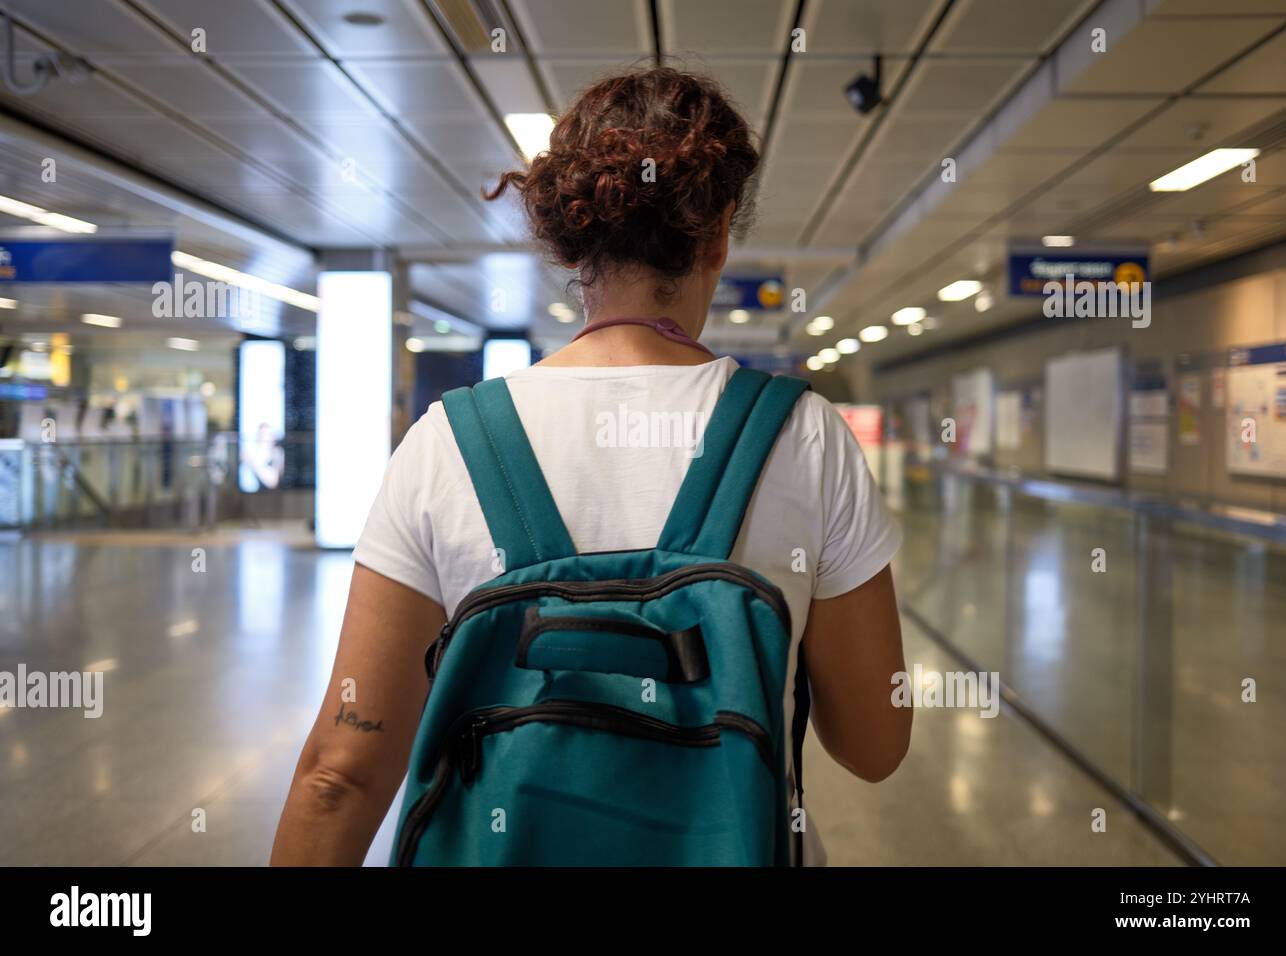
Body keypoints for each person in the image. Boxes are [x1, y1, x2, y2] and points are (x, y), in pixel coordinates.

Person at [271, 66, 910, 866]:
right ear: (716, 238)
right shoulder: (806, 438)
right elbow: (875, 743)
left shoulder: (449, 443)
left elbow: (340, 774)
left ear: (571, 242)